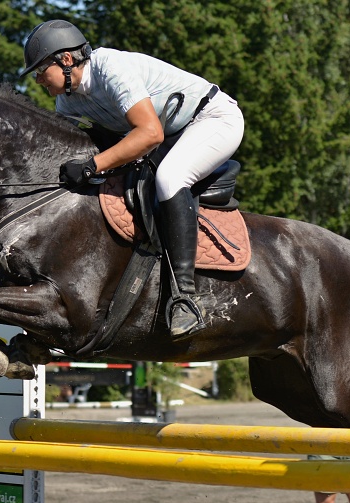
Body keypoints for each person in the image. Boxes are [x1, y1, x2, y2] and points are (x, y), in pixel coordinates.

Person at [20, 20, 245, 339]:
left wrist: (91, 166)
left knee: (170, 178)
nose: (39, 79)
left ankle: (184, 297)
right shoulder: (66, 102)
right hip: (168, 136)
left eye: (41, 70)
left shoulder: (111, 68)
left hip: (212, 119)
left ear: (66, 60)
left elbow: (150, 133)